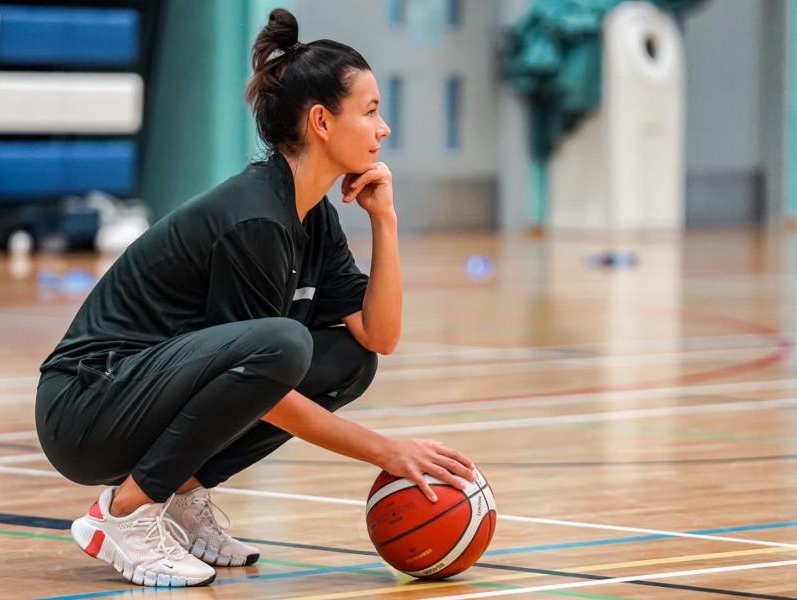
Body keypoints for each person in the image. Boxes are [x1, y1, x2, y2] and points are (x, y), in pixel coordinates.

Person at [35, 8, 475, 588]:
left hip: (138, 398)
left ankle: (183, 495)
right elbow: (266, 385)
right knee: (283, 345)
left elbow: (380, 336)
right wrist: (384, 451)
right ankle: (123, 515)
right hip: (88, 406)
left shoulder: (310, 213)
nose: (383, 128)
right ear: (321, 121)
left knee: (347, 361)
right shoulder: (255, 220)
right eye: (370, 112)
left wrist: (386, 223)